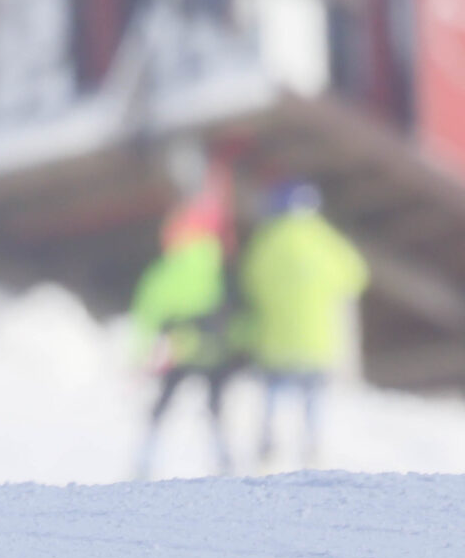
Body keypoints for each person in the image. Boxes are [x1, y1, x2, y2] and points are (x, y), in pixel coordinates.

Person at [237, 181, 369, 469]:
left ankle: (267, 445)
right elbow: (356, 275)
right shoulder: (324, 239)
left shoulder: (268, 240)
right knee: (312, 397)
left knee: (273, 393)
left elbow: (249, 281)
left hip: (276, 337)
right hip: (316, 338)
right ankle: (312, 448)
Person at [129, 205, 243, 478]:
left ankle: (145, 460)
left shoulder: (163, 271)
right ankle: (224, 461)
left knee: (162, 406)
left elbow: (146, 315)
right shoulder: (216, 264)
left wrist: (139, 357)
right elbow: (237, 308)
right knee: (215, 408)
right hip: (214, 349)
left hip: (179, 349)